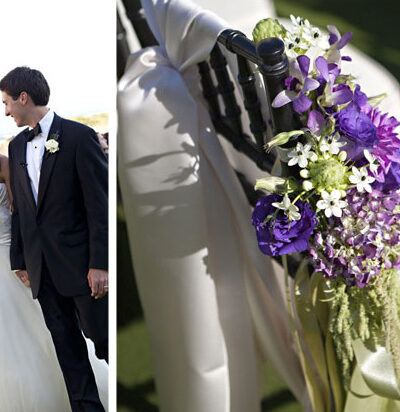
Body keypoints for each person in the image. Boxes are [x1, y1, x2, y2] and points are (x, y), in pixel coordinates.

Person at [2, 66, 109, 411]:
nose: (5, 111)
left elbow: (99, 206)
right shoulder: (17, 147)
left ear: (24, 97)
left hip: (82, 269)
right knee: (68, 354)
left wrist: (100, 265)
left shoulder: (79, 137)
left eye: (7, 103)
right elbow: (21, 213)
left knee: (104, 343)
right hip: (42, 272)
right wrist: (21, 261)